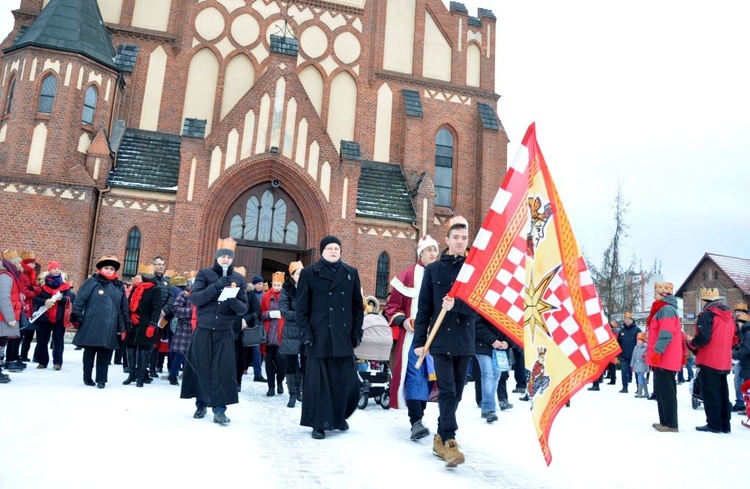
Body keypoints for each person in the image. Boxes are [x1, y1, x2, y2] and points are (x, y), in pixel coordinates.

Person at [413, 219, 476, 468]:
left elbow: (479, 307)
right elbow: (424, 307)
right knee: (447, 391)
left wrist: (457, 305)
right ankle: (450, 440)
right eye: (456, 237)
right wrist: (420, 341)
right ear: (447, 241)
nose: (460, 241)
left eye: (464, 237)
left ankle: (439, 436)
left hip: (464, 340)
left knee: (457, 394)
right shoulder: (434, 271)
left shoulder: (473, 270)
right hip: (439, 341)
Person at [297, 235, 364, 440]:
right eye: (329, 248)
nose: (334, 251)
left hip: (342, 337)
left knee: (343, 381)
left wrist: (356, 332)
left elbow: (357, 307)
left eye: (337, 248)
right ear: (322, 251)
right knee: (319, 382)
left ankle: (338, 417)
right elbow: (301, 309)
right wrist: (306, 333)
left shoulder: (351, 273)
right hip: (319, 337)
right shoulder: (309, 273)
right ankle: (318, 423)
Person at [181, 237, 248, 425]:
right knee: (201, 367)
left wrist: (234, 302)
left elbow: (244, 309)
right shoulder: (204, 274)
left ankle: (219, 410)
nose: (226, 259)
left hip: (224, 331)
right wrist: (217, 286)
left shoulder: (239, 279)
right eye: (223, 256)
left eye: (229, 256)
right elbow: (196, 299)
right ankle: (201, 404)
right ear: (217, 257)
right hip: (203, 329)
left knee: (222, 371)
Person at [385, 234, 439, 440]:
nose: (433, 254)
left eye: (435, 250)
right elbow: (393, 306)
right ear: (421, 253)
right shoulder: (407, 277)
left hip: (434, 339)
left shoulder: (440, 274)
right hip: (413, 339)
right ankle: (416, 421)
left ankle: (419, 416)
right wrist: (403, 320)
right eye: (429, 250)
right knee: (415, 377)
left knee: (428, 378)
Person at [71, 255, 130, 388]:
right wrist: (77, 316)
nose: (109, 270)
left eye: (111, 268)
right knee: (90, 352)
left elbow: (123, 306)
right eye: (106, 268)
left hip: (111, 325)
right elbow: (80, 300)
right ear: (101, 269)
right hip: (92, 323)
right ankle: (87, 377)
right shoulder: (92, 282)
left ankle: (102, 379)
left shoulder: (119, 286)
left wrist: (126, 322)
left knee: (106, 353)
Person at [687, 288, 736, 433]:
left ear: (704, 301)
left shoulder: (707, 315)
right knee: (722, 392)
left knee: (710, 394)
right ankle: (725, 424)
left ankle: (713, 424)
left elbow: (703, 338)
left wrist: (691, 344)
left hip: (708, 359)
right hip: (724, 360)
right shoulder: (729, 316)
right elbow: (736, 337)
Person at [645, 282, 682, 433]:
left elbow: (665, 334)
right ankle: (665, 421)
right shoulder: (663, 310)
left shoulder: (666, 310)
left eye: (655, 295)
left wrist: (657, 352)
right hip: (663, 357)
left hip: (665, 358)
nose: (654, 298)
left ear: (663, 296)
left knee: (666, 391)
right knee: (661, 390)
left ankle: (670, 423)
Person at [122, 264, 163, 387]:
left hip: (146, 322)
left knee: (144, 350)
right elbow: (129, 303)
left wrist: (152, 325)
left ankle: (140, 377)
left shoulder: (155, 289)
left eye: (141, 276)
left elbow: (156, 309)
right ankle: (131, 374)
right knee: (130, 347)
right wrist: (131, 315)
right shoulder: (136, 288)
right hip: (135, 322)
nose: (138, 277)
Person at [32, 260, 75, 370]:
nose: (56, 270)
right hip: (44, 316)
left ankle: (57, 362)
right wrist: (45, 301)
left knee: (58, 339)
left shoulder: (65, 286)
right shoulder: (42, 285)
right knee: (42, 339)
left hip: (59, 317)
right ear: (49, 270)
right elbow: (35, 299)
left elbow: (70, 299)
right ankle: (42, 361)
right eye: (54, 268)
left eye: (58, 268)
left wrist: (62, 298)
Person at [474, 316, 511, 423]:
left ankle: (486, 407)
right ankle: (489, 408)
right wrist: (492, 340)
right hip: (483, 346)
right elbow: (476, 324)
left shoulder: (505, 307)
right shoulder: (483, 305)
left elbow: (511, 326)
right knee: (488, 375)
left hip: (500, 349)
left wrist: (507, 342)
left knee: (495, 377)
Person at [279, 261, 304, 408]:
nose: (301, 275)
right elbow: (284, 311)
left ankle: (300, 390)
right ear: (292, 275)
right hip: (291, 331)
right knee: (291, 363)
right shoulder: (286, 290)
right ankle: (292, 394)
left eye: (303, 272)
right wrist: (300, 315)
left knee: (305, 364)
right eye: (298, 273)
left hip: (306, 331)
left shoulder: (309, 288)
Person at [261, 271, 287, 396]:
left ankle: (280, 381)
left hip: (282, 334)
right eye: (275, 285)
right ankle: (271, 387)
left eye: (279, 285)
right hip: (269, 334)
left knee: (281, 362)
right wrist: (269, 314)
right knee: (269, 363)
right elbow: (261, 313)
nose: (277, 287)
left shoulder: (286, 295)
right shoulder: (266, 296)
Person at [169, 271, 198, 386]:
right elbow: (175, 309)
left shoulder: (202, 297)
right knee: (180, 354)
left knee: (193, 355)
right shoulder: (185, 294)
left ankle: (188, 377)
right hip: (184, 328)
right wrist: (193, 313)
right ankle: (173, 375)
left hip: (197, 329)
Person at [0, 249, 25, 383]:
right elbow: (3, 298)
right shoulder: (6, 276)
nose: (21, 266)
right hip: (3, 318)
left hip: (5, 316)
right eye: (18, 263)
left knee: (2, 342)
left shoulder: (8, 275)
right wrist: (10, 318)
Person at [248, 275, 267, 382]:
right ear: (254, 284)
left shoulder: (264, 295)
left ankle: (257, 373)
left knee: (259, 350)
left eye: (261, 284)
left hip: (261, 325)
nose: (260, 286)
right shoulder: (250, 295)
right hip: (251, 325)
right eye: (258, 284)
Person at [731, 301, 748, 412]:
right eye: (737, 311)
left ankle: (744, 403)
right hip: (739, 355)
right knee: (738, 380)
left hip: (744, 355)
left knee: (744, 381)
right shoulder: (734, 323)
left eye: (741, 311)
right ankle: (740, 402)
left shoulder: (745, 325)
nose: (738, 313)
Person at [617, 312, 639, 393]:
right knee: (623, 372)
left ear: (632, 320)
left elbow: (640, 342)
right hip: (624, 356)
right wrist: (618, 354)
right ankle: (624, 387)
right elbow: (618, 342)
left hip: (635, 355)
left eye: (628, 319)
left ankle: (638, 388)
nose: (627, 321)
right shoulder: (621, 331)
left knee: (637, 373)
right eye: (625, 319)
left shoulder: (637, 330)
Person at [632, 332, 649, 398]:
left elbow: (646, 357)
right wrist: (632, 364)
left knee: (640, 378)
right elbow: (633, 356)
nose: (638, 342)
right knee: (641, 379)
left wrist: (644, 358)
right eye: (637, 340)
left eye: (640, 340)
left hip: (642, 365)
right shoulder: (636, 347)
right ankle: (646, 392)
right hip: (637, 364)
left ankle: (640, 392)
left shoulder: (646, 348)